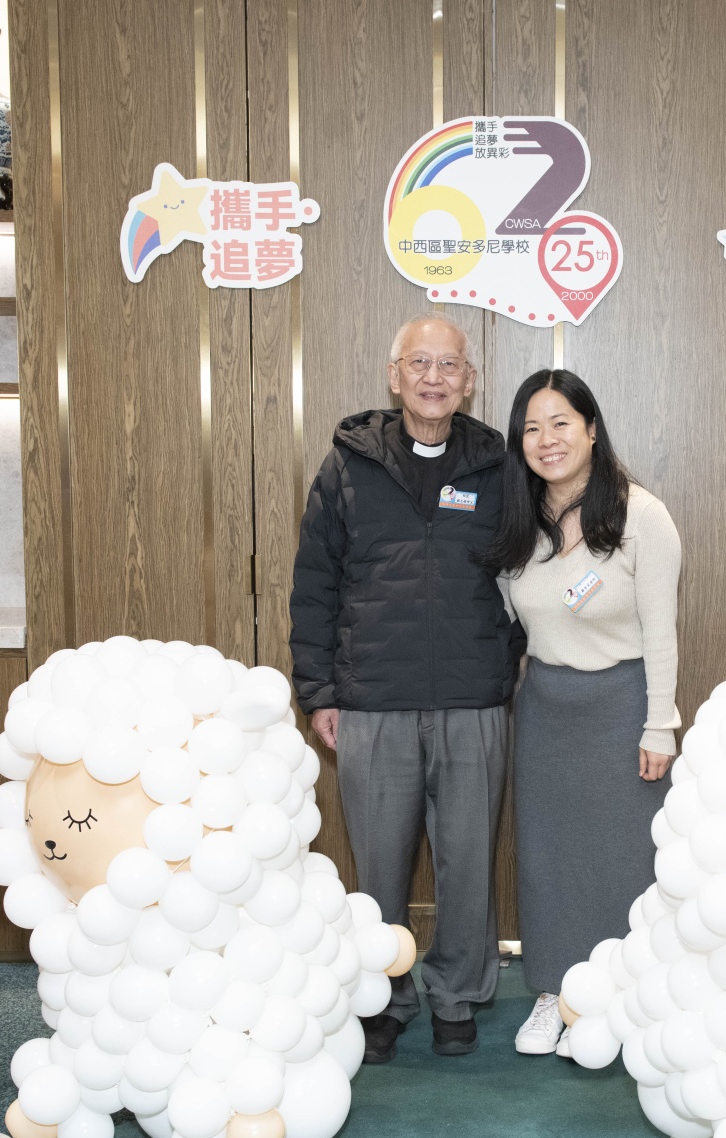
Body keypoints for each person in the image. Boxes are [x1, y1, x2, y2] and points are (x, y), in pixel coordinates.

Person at [289, 315, 518, 1060]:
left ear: (469, 381)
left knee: (468, 863)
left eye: (449, 365)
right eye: (419, 362)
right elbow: (314, 584)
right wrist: (319, 691)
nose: (433, 378)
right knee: (378, 867)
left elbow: (528, 575)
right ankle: (382, 996)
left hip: (471, 701)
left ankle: (457, 994)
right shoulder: (346, 467)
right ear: (394, 376)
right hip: (373, 702)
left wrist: (498, 658)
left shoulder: (497, 466)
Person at [480, 369, 681, 1058]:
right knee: (548, 860)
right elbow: (507, 617)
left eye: (561, 423)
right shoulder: (518, 521)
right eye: (532, 429)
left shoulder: (640, 516)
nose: (548, 440)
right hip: (545, 709)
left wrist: (661, 725)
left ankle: (622, 1003)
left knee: (625, 861)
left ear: (592, 430)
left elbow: (662, 632)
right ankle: (553, 993)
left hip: (621, 708)